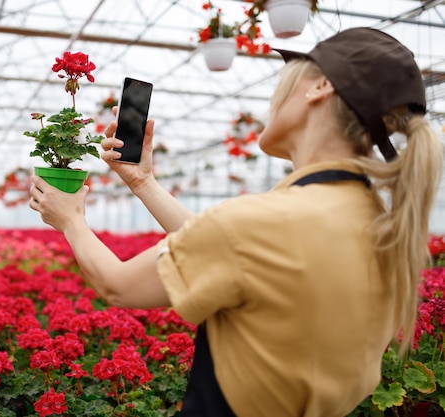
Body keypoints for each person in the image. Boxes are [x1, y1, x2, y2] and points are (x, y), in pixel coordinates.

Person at [28, 27, 443, 417]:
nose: (273, 98)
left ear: (320, 88)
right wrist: (143, 182)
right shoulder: (378, 227)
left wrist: (71, 220)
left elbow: (117, 284)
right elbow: (234, 249)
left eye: (286, 80)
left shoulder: (263, 224)